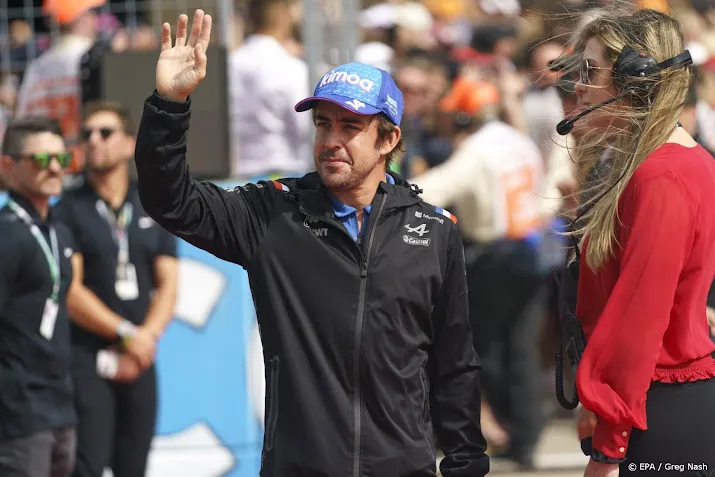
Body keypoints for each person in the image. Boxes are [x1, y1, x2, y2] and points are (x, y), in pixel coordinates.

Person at [134, 10, 489, 477]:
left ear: (389, 139)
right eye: (323, 124)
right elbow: (170, 199)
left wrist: (465, 465)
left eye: (350, 127)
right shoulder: (272, 213)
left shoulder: (433, 231)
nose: (330, 140)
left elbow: (454, 364)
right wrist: (169, 104)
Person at [558, 6, 715, 477]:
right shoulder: (671, 163)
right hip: (656, 406)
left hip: (653, 413)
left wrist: (610, 445)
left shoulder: (661, 177)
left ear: (637, 81)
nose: (578, 86)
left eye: (591, 71)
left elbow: (637, 322)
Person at [415, 78, 547, 469]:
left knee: (484, 349)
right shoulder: (516, 140)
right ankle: (525, 437)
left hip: (494, 258)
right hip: (532, 252)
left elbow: (439, 186)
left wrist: (384, 191)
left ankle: (506, 425)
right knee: (521, 348)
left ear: (462, 117)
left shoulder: (476, 150)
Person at [52, 101, 178, 477]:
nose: (93, 140)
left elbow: (169, 284)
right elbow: (71, 292)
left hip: (140, 358)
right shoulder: (68, 208)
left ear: (128, 144)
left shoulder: (151, 203)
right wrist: (126, 334)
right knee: (86, 466)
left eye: (105, 133)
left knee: (133, 467)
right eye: (87, 134)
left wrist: (145, 340)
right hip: (88, 358)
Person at [0, 117, 77, 476]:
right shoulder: (6, 236)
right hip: (17, 412)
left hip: (60, 407)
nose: (55, 169)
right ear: (8, 165)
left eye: (62, 159)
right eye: (41, 160)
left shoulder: (58, 231)